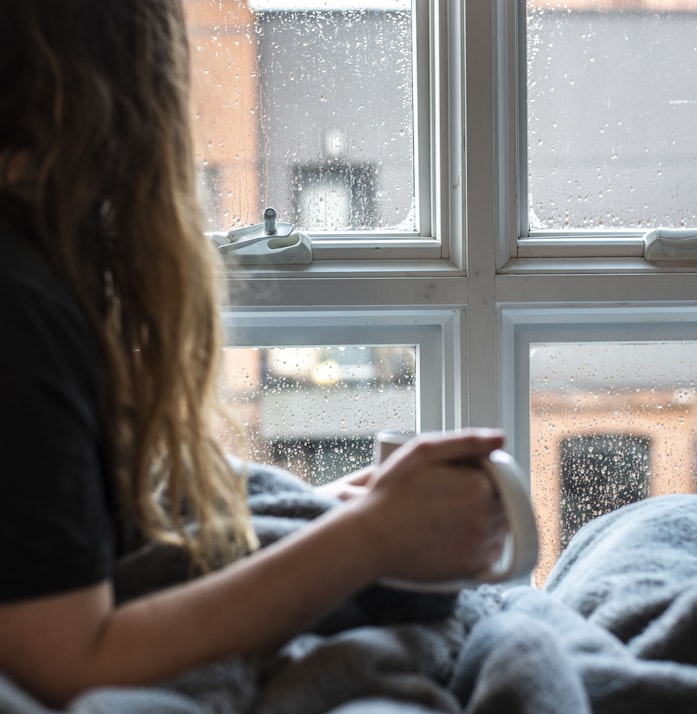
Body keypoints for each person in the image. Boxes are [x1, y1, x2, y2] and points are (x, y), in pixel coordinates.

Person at [0, 1, 507, 708]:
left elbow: (58, 554)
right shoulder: (21, 308)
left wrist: (324, 516)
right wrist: (369, 538)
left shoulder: (37, 276)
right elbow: (68, 661)